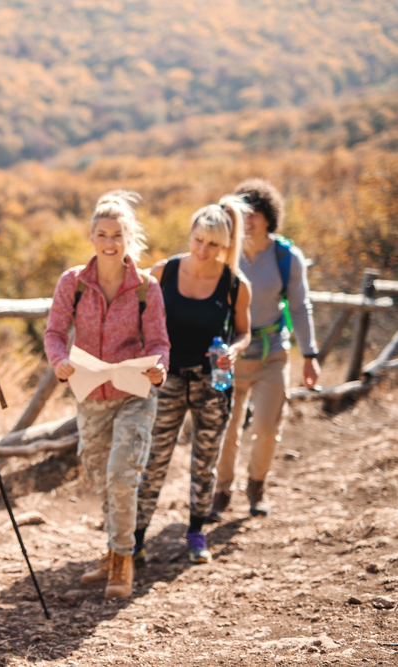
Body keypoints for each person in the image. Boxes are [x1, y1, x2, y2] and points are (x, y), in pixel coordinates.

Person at [44, 191, 170, 598]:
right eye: (102, 234)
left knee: (121, 475)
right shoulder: (73, 282)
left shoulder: (146, 287)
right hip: (90, 394)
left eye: (117, 234)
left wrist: (160, 366)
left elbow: (160, 342)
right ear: (91, 236)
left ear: (129, 236)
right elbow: (54, 333)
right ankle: (112, 553)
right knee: (101, 477)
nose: (110, 242)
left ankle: (123, 562)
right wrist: (59, 361)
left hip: (135, 393)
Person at [134, 197, 253, 565]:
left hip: (212, 384)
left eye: (214, 244)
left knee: (205, 462)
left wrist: (234, 350)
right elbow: (140, 320)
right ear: (190, 234)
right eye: (198, 240)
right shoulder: (163, 272)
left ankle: (197, 533)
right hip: (165, 380)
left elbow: (245, 333)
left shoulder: (235, 284)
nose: (203, 250)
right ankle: (135, 538)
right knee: (154, 459)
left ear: (226, 246)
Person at [211, 179, 319, 519]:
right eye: (244, 214)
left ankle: (257, 484)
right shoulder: (223, 253)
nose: (249, 220)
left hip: (272, 353)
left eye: (255, 214)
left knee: (268, 429)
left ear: (269, 217)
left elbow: (300, 308)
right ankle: (221, 490)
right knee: (225, 429)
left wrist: (310, 356)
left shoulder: (287, 258)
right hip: (229, 355)